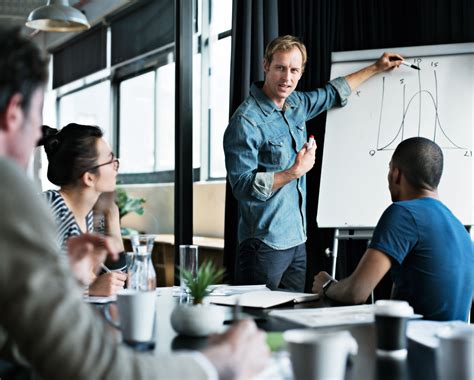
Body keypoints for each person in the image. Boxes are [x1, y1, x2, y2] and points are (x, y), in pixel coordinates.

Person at [0, 27, 269, 379]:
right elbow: (90, 368)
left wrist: (67, 276)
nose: (38, 133)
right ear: (15, 112)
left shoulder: (90, 215)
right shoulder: (15, 194)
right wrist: (217, 362)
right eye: (36, 117)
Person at [224, 35, 404, 292]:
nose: (287, 78)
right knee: (259, 325)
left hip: (297, 241)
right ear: (266, 65)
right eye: (280, 68)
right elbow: (241, 186)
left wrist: (376, 67)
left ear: (301, 72)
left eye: (294, 70)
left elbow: (333, 92)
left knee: (290, 321)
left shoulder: (296, 103)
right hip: (264, 246)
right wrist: (294, 172)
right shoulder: (246, 121)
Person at [312, 137, 473, 321]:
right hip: (451, 347)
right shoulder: (460, 229)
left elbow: (356, 293)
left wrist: (327, 285)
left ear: (396, 174)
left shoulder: (403, 213)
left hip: (413, 345)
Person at [38, 123, 127, 296]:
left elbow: (117, 283)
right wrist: (91, 289)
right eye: (111, 161)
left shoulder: (90, 215)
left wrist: (113, 220)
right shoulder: (50, 209)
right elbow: (31, 285)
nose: (116, 167)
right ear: (89, 177)